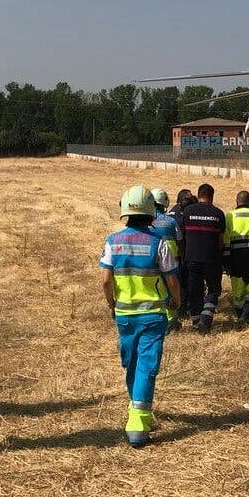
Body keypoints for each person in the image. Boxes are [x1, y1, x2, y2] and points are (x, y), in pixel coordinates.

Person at [100, 185, 181, 447]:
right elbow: (172, 279)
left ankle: (135, 406)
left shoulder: (113, 241)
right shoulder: (158, 243)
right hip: (153, 315)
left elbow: (105, 280)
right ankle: (138, 422)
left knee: (132, 363)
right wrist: (176, 302)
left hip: (124, 315)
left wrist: (111, 303)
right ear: (151, 213)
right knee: (147, 366)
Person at [180, 183, 225, 333]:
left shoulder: (187, 212)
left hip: (191, 258)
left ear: (198, 195)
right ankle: (206, 320)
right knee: (213, 289)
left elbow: (182, 236)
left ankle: (196, 321)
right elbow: (220, 240)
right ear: (211, 196)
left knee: (195, 290)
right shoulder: (218, 213)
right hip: (212, 258)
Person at [224, 191, 249, 326]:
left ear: (236, 200)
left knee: (238, 292)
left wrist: (226, 263)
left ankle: (241, 316)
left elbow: (226, 240)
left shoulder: (229, 215)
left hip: (236, 258)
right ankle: (246, 317)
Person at [149, 188, 183, 326]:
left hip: (151, 261)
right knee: (171, 289)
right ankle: (171, 320)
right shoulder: (171, 221)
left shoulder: (147, 221)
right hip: (171, 263)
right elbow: (180, 240)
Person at [168, 189, 195, 317]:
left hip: (169, 254)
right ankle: (182, 309)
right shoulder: (182, 215)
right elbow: (183, 238)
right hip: (180, 253)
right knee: (183, 281)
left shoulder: (171, 212)